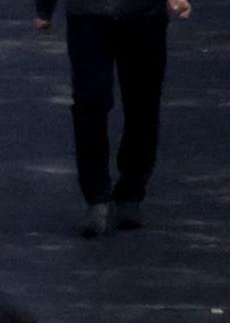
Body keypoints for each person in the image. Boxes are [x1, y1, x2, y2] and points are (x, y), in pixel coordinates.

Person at [38, 0, 191, 236]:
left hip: (144, 16)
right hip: (88, 15)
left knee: (142, 102)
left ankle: (131, 191)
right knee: (90, 101)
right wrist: (44, 8)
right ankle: (97, 198)